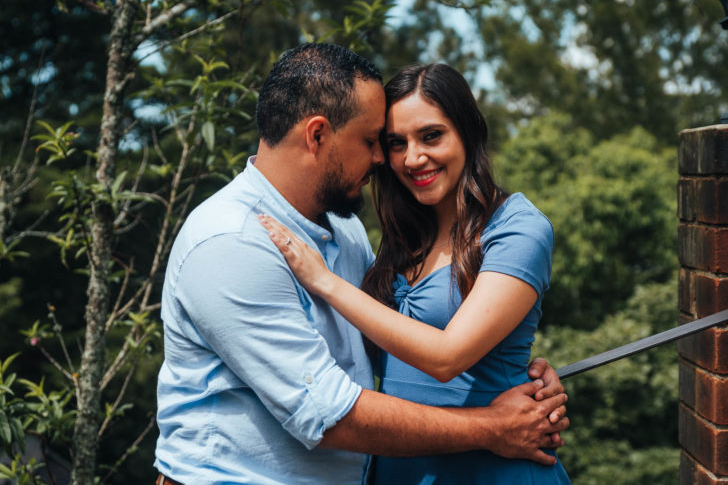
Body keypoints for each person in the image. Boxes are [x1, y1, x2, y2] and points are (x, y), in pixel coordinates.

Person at [154, 44, 569, 485]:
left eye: (430, 136)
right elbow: (327, 413)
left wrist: (519, 372)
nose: (388, 160)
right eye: (379, 142)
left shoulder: (346, 229)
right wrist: (494, 426)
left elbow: (396, 339)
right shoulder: (232, 241)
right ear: (317, 135)